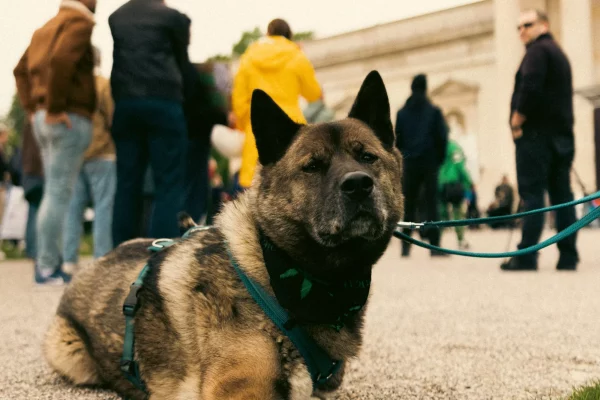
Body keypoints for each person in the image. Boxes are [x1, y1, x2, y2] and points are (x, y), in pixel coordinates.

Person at [14, 0, 97, 285]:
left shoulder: (45, 28)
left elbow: (19, 69)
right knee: (59, 192)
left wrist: (32, 108)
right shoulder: (79, 22)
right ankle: (48, 266)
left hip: (43, 118)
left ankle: (48, 261)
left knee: (54, 191)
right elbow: (62, 60)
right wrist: (55, 108)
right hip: (66, 116)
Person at [109, 0, 191, 246]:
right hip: (164, 102)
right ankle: (161, 249)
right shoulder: (174, 18)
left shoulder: (117, 17)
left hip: (126, 104)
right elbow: (183, 64)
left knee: (126, 183)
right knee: (168, 182)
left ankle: (122, 251)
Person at [502, 9, 578, 271]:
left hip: (536, 138)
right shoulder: (559, 53)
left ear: (543, 25)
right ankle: (568, 255)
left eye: (527, 24)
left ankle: (527, 255)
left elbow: (531, 86)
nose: (522, 30)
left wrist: (516, 119)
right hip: (562, 137)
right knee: (563, 196)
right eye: (518, 27)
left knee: (532, 194)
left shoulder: (535, 52)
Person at [232, 18, 322, 189]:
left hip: (258, 128)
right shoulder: (296, 54)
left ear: (268, 33)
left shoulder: (249, 57)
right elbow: (313, 93)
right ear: (289, 35)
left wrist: (244, 125)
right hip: (293, 127)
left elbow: (239, 101)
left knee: (253, 186)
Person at [62, 47, 115, 272]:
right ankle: (101, 258)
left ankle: (69, 259)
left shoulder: (68, 88)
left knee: (73, 208)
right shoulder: (102, 84)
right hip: (102, 151)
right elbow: (112, 115)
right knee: (104, 207)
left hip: (74, 153)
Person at [395, 74, 448, 257]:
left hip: (409, 163)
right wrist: (438, 160)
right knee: (432, 204)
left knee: (408, 206)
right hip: (429, 162)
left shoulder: (402, 113)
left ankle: (405, 246)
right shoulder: (433, 111)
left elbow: (397, 141)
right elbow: (442, 138)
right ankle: (434, 247)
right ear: (426, 88)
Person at [182, 62, 228, 223]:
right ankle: (191, 228)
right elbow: (210, 113)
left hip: (179, 139)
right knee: (196, 191)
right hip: (196, 140)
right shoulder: (201, 80)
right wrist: (225, 118)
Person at [438, 139, 472, 250]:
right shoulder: (454, 147)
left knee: (440, 214)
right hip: (454, 184)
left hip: (440, 183)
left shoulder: (437, 145)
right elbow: (460, 166)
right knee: (458, 213)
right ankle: (461, 239)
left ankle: (437, 241)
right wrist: (468, 181)